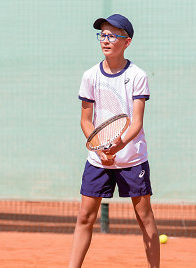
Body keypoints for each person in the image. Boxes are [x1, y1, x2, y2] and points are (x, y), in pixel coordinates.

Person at [69, 14, 160, 268]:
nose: (106, 40)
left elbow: (137, 122)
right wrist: (98, 146)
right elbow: (86, 120)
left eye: (112, 35)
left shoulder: (138, 75)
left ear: (126, 42)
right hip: (98, 160)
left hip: (132, 159)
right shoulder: (90, 76)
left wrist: (119, 145)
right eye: (103, 35)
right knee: (85, 218)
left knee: (144, 217)